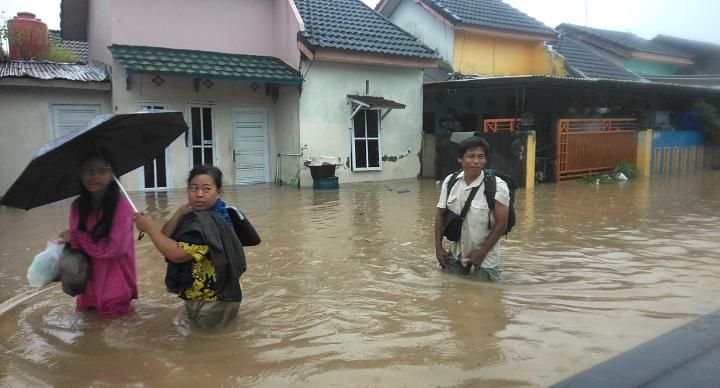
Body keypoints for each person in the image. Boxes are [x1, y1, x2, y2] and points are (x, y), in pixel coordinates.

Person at [134, 165, 246, 330]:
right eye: (194, 188)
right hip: (199, 295)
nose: (199, 194)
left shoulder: (211, 224)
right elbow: (166, 238)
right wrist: (179, 213)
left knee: (206, 349)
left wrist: (150, 228)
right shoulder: (197, 215)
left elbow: (177, 254)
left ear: (219, 192)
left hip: (216, 299)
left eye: (206, 189)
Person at [58, 151, 138, 316]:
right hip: (86, 288)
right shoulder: (77, 207)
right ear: (80, 174)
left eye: (102, 171)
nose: (95, 176)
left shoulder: (122, 207)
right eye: (88, 170)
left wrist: (76, 237)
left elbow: (115, 249)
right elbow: (76, 247)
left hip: (116, 288)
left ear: (112, 175)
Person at [434, 136, 510, 281]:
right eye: (471, 156)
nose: (476, 161)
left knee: (486, 295)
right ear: (460, 159)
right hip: (457, 253)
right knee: (451, 289)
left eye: (481, 157)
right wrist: (438, 247)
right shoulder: (451, 181)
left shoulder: (498, 186)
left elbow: (501, 224)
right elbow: (440, 214)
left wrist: (482, 252)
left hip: (486, 256)